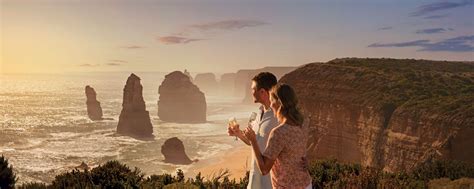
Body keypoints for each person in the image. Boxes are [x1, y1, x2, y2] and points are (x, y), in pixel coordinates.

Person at [243, 83, 312, 189]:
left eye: (272, 101)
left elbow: (264, 169)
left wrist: (253, 141)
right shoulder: (303, 122)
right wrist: (307, 160)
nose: (270, 105)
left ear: (279, 103)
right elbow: (298, 149)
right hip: (306, 184)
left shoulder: (279, 133)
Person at [228, 72, 278, 189]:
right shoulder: (259, 112)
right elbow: (254, 141)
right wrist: (238, 134)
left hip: (271, 182)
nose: (251, 92)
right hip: (255, 178)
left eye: (253, 89)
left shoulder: (277, 117)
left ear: (262, 92)